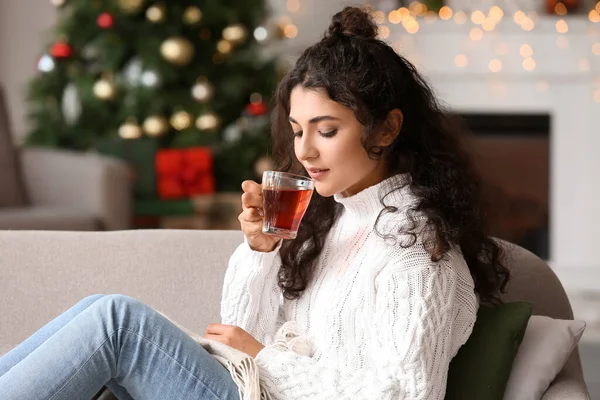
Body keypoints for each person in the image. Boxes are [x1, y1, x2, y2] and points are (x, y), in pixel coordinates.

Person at [0, 6, 510, 400]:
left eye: (326, 131)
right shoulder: (331, 222)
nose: (304, 152)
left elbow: (405, 394)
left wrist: (267, 358)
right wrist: (260, 253)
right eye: (296, 131)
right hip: (252, 389)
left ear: (387, 128)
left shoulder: (417, 249)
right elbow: (242, 347)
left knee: (115, 321)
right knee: (96, 311)